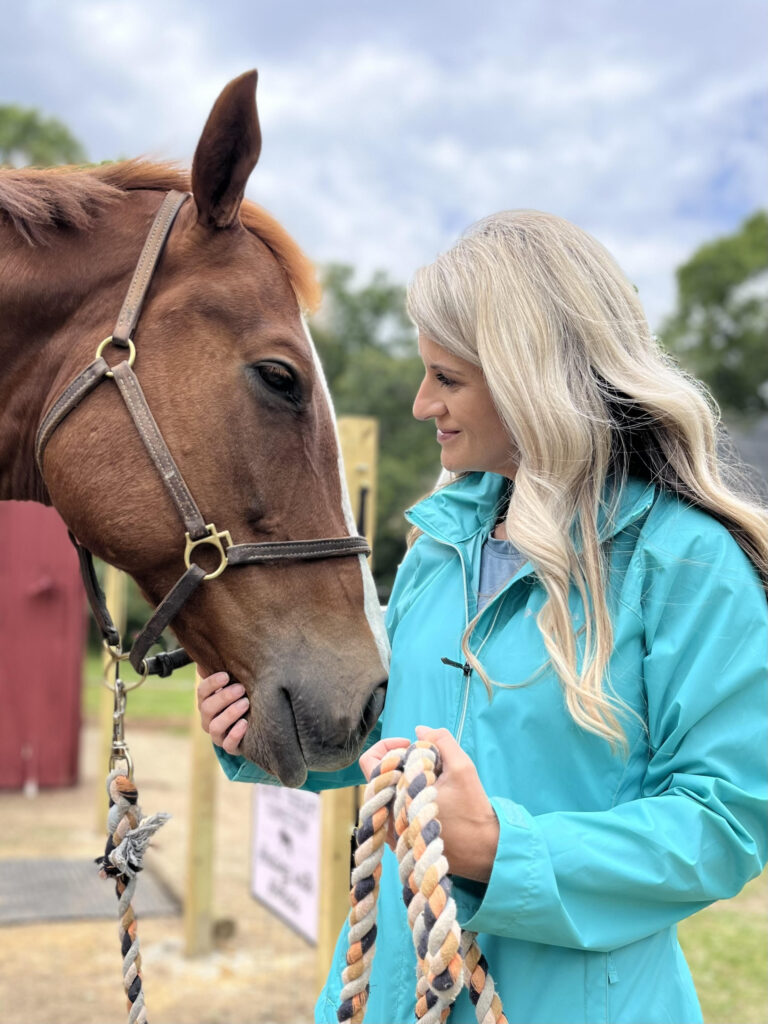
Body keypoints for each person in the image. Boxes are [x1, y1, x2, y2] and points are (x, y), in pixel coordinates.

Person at [197, 210, 768, 1024]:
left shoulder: (684, 561)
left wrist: (505, 852)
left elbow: (728, 820)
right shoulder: (441, 541)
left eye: (449, 378)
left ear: (532, 380)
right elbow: (386, 733)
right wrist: (264, 732)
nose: (424, 402)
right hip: (383, 996)